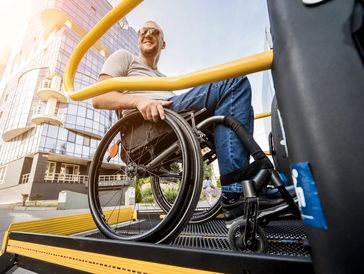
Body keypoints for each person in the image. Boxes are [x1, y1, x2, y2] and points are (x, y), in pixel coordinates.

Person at [92, 21, 253, 222]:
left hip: (171, 116)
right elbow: (98, 98)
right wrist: (139, 100)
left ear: (163, 43)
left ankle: (246, 185)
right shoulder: (125, 57)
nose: (148, 34)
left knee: (234, 108)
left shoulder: (166, 79)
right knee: (233, 82)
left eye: (155, 32)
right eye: (143, 31)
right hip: (147, 123)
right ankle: (235, 192)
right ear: (138, 38)